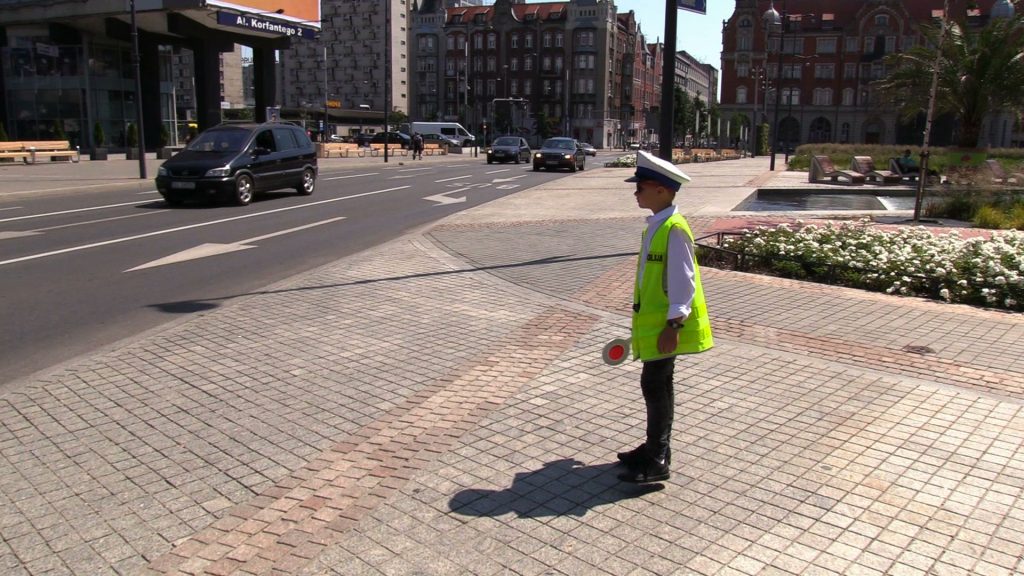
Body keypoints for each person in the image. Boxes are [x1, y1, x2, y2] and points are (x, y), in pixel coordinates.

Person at [617, 151, 714, 484]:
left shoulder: (673, 229)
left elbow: (683, 281)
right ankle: (655, 449)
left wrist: (674, 325)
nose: (636, 192)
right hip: (655, 325)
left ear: (661, 190)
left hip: (665, 328)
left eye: (640, 186)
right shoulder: (657, 225)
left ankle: (657, 458)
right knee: (658, 386)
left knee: (655, 386)